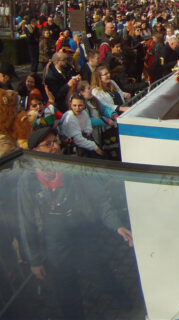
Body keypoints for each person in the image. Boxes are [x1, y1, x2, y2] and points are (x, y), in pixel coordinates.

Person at [18, 127, 134, 320]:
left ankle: (125, 302)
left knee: (99, 271)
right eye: (48, 144)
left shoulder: (72, 168)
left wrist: (117, 225)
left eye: (56, 141)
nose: (55, 147)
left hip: (82, 230)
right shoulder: (28, 180)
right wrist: (35, 260)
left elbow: (99, 200)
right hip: (54, 238)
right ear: (35, 150)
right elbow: (26, 220)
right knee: (65, 286)